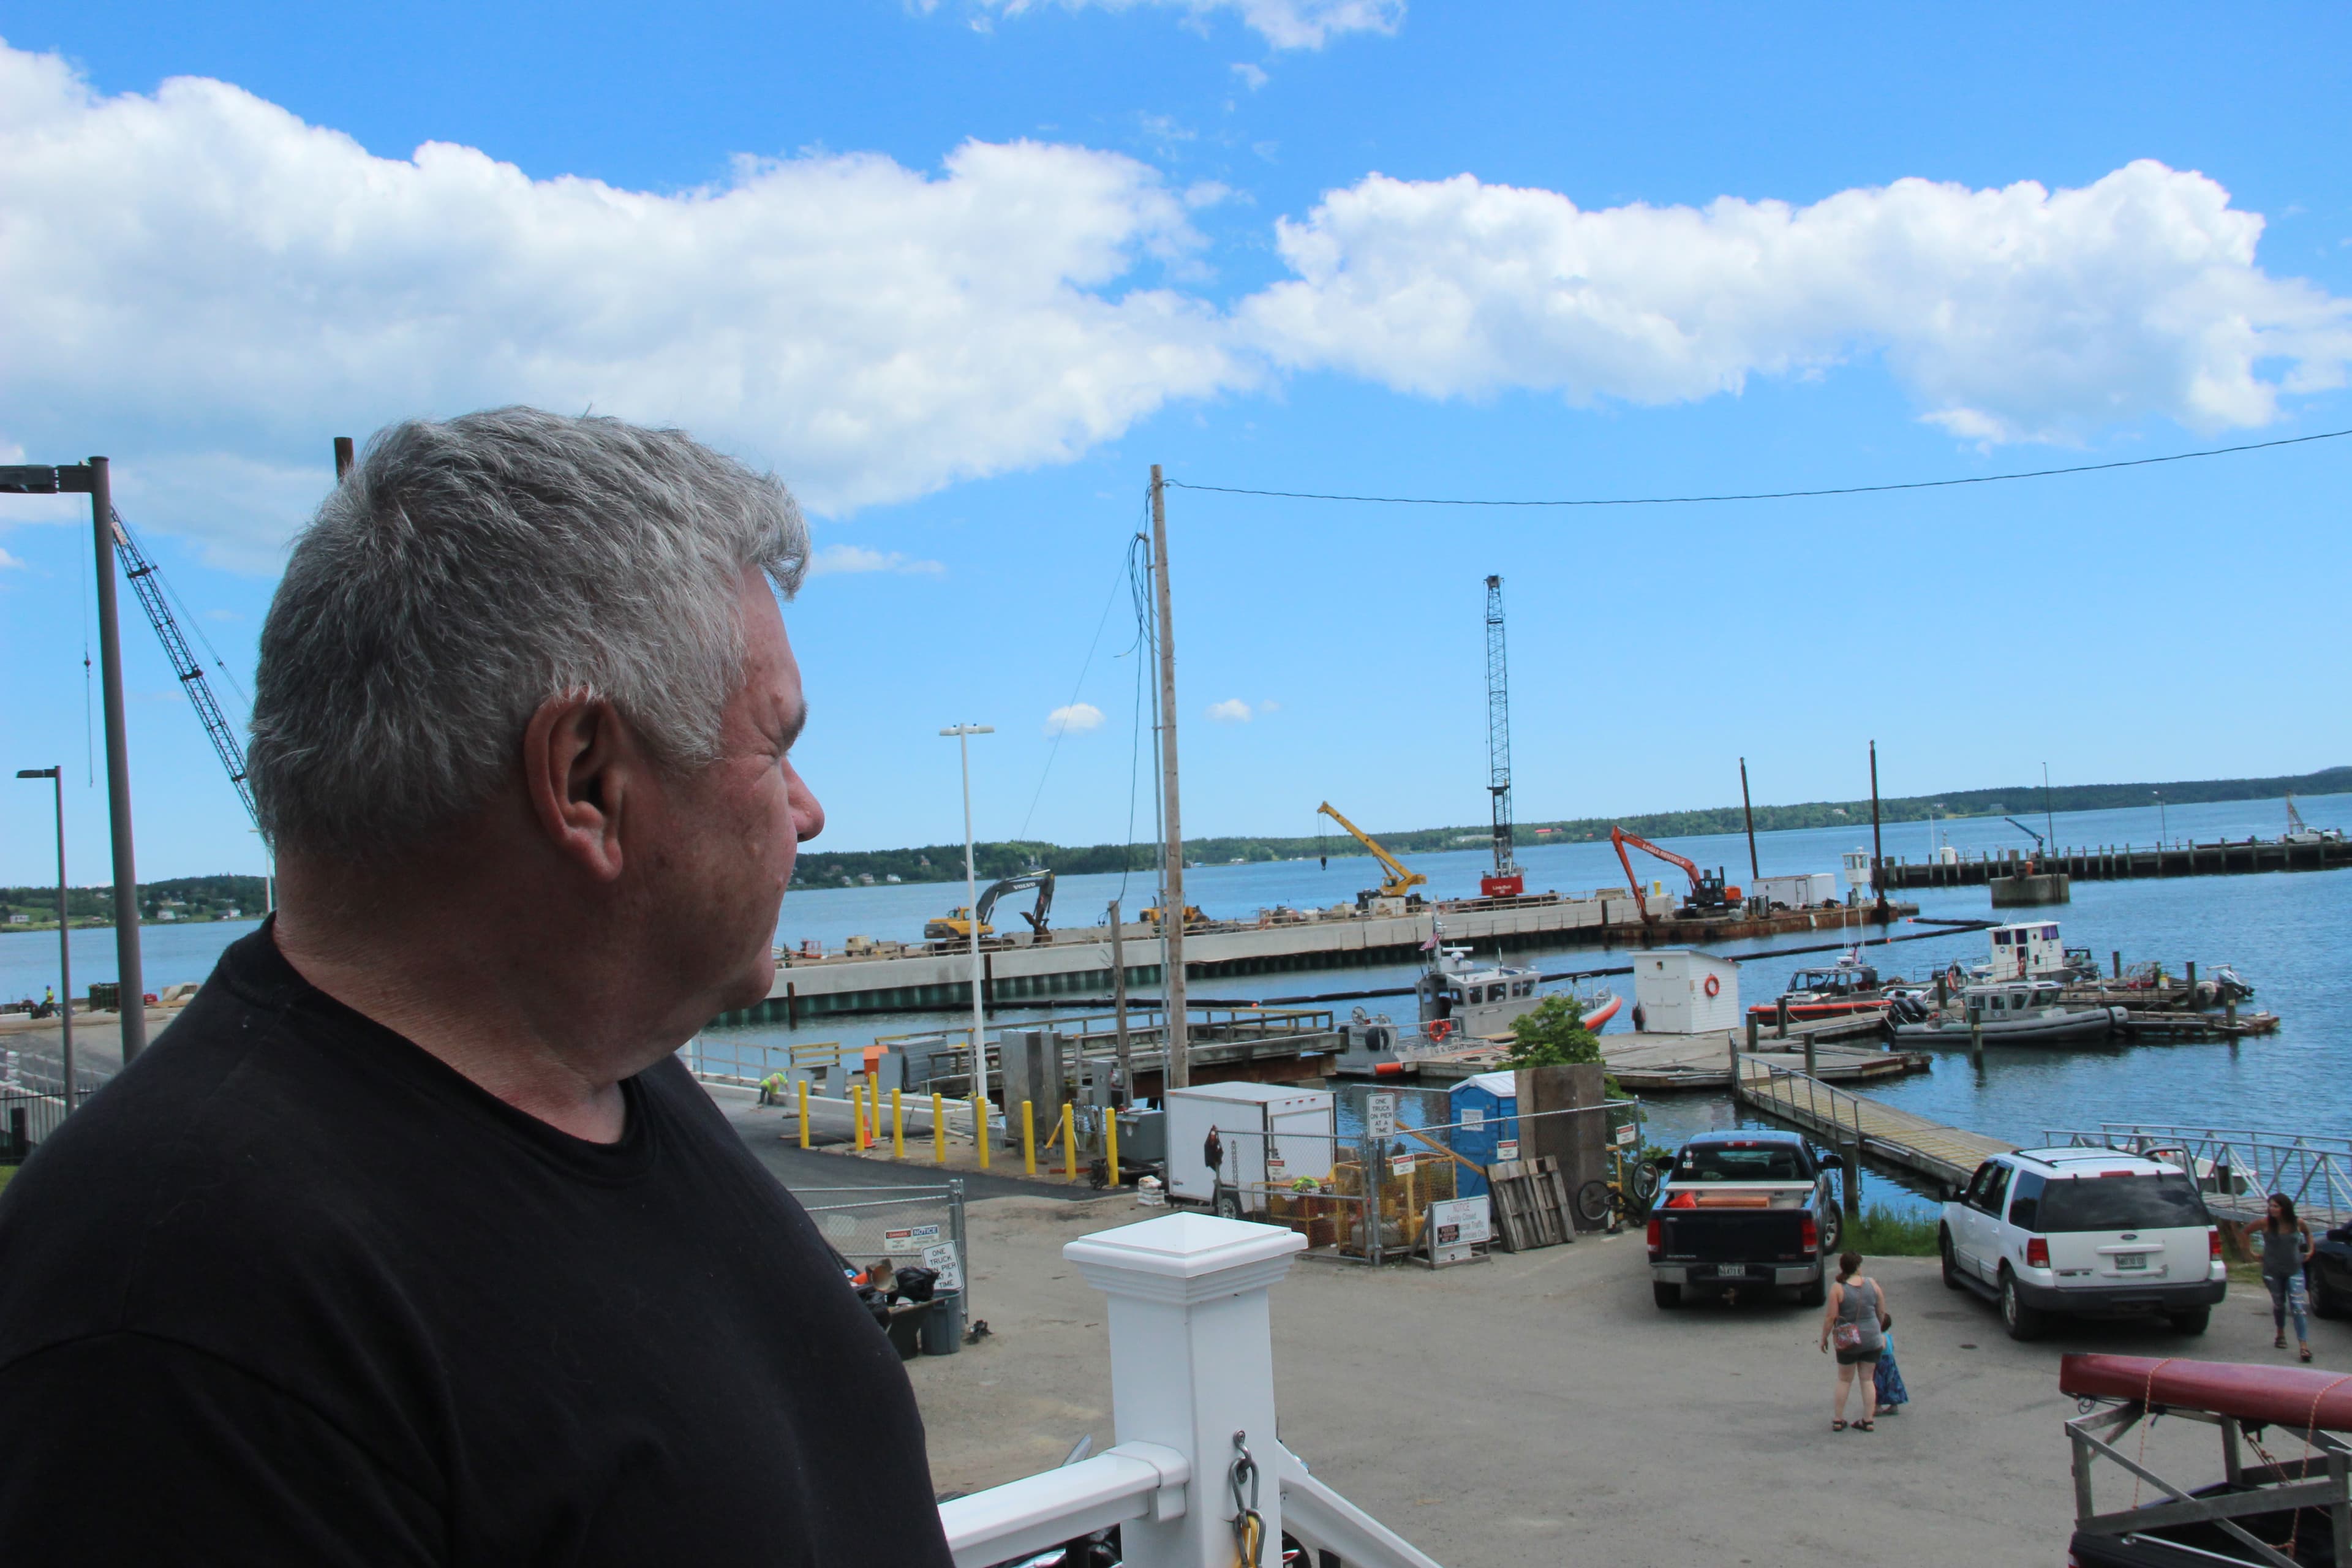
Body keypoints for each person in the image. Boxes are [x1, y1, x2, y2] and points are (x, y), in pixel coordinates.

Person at [0, 409, 954, 1565]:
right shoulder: (176, 1324)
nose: (808, 813)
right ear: (587, 780)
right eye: (775, 745)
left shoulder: (614, 1075)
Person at [1819, 1250, 1887, 1431]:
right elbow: (1881, 1312)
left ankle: (1838, 1419)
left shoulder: (1838, 1288)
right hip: (1872, 1339)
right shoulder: (1872, 1284)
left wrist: (1824, 1338)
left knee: (1844, 1380)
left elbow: (1831, 1317)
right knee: (1867, 1380)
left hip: (1848, 1341)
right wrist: (1878, 1331)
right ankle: (1868, 1420)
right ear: (1857, 1267)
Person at [2260, 1191, 2315, 1362]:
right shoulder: (2265, 1223)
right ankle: (2280, 1334)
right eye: (2270, 1206)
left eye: (2275, 1206)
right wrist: (2251, 1252)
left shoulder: (2297, 1223)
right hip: (2273, 1271)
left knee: (2298, 1306)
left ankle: (2304, 1347)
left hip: (2295, 1270)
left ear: (2284, 1208)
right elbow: (2245, 1232)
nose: (2272, 1209)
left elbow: (2308, 1233)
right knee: (2279, 1304)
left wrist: (2310, 1250)